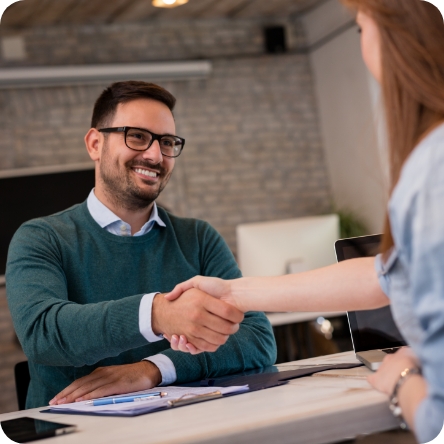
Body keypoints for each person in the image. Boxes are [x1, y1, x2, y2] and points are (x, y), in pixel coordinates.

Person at [165, 1, 444, 442]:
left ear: (397, 36)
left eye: (359, 30)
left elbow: (438, 417)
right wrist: (235, 292)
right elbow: (384, 275)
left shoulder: (431, 169)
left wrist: (403, 377)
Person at [6, 81, 276, 409]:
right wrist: (157, 313)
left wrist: (154, 370)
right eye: (136, 136)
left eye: (167, 142)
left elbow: (257, 338)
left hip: (188, 426)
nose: (154, 154)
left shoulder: (198, 238)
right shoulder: (40, 238)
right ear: (95, 144)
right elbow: (42, 333)